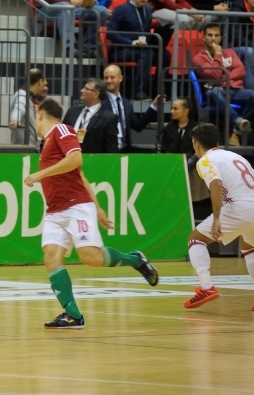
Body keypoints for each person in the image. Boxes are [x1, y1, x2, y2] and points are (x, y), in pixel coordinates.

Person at [23, 97, 159, 328]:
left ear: (40, 115)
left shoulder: (62, 130)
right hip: (55, 211)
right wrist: (98, 209)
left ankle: (135, 259)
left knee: (91, 258)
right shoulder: (46, 143)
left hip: (75, 206)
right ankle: (72, 314)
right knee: (51, 257)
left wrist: (40, 175)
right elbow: (81, 176)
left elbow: (76, 159)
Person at [185, 122, 254, 312]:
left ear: (196, 144)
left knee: (195, 240)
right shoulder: (235, 155)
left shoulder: (205, 160)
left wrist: (217, 218)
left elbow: (215, 184)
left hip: (240, 207)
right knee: (248, 246)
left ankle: (206, 287)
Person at [193, 23, 254, 146]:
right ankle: (238, 120)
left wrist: (223, 78)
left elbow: (241, 70)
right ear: (203, 37)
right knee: (215, 92)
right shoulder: (199, 58)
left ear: (220, 38)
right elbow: (213, 75)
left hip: (235, 90)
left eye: (216, 35)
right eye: (210, 35)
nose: (213, 39)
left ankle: (237, 130)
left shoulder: (230, 52)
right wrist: (218, 55)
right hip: (215, 94)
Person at [106, 0, 162, 99]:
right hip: (120, 50)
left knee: (164, 55)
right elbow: (110, 33)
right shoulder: (121, 10)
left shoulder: (148, 10)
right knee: (145, 53)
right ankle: (139, 92)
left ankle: (158, 91)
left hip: (140, 47)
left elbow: (145, 31)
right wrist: (130, 42)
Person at [101, 64, 160, 152]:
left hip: (124, 150)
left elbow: (138, 126)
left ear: (120, 78)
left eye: (112, 77)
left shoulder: (126, 103)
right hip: (106, 152)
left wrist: (154, 106)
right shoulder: (100, 102)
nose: (109, 81)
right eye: (106, 78)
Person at [61, 78, 119, 153]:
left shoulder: (108, 118)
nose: (82, 90)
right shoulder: (72, 112)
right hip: (69, 159)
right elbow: (61, 135)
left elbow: (111, 148)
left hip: (93, 161)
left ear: (96, 94)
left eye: (86, 89)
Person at [8, 67, 48, 146]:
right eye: (44, 83)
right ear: (40, 82)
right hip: (25, 147)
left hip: (28, 146)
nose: (45, 87)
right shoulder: (23, 97)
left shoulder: (30, 97)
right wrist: (14, 120)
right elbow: (18, 109)